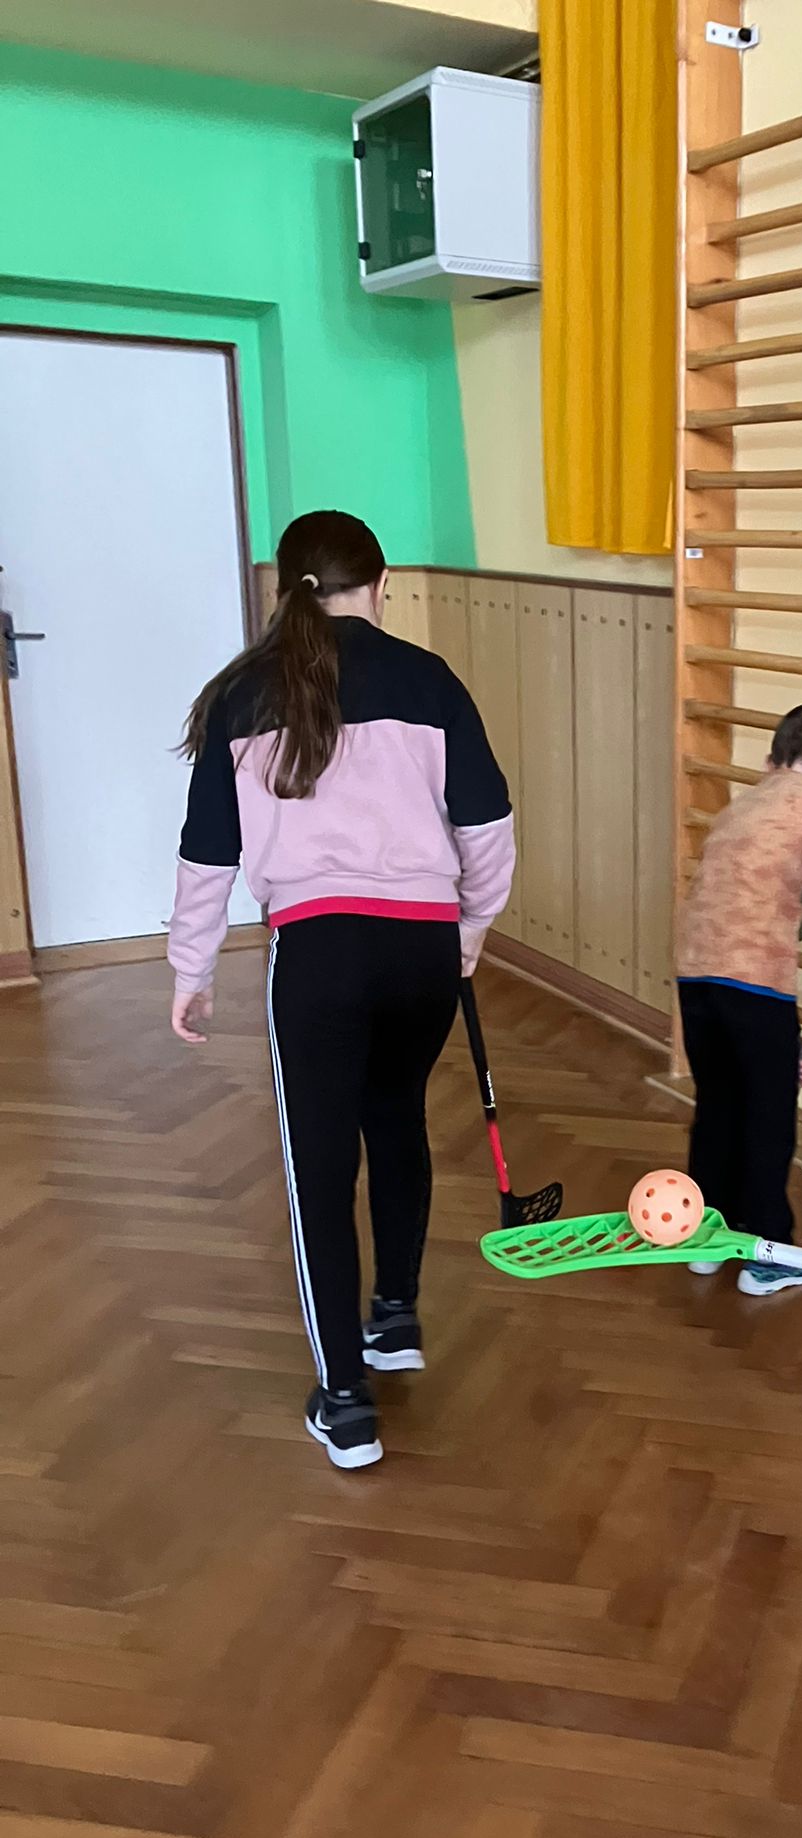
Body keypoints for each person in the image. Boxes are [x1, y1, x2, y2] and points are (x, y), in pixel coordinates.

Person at [167, 511, 514, 1470]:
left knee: (319, 1167)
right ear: (382, 582)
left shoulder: (243, 692)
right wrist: (469, 931)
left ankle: (346, 1402)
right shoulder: (430, 680)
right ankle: (394, 1318)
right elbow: (487, 828)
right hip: (421, 949)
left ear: (286, 589)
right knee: (396, 1117)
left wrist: (192, 969)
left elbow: (207, 854)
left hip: (319, 953)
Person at [675, 702, 802, 1296]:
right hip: (755, 978)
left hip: (695, 974)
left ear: (774, 759)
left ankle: (707, 1239)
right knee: (768, 1119)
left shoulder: (745, 802)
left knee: (719, 1106)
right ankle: (770, 1256)